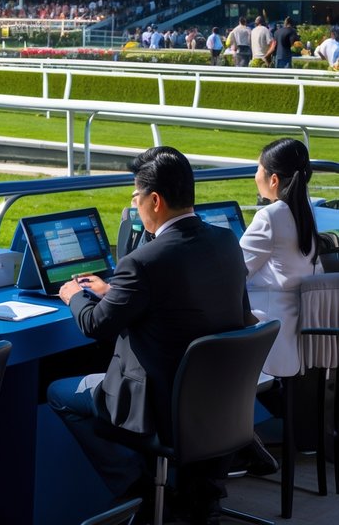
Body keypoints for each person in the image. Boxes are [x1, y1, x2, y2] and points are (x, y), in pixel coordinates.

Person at [47, 146, 251, 523]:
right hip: (218, 402)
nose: (135, 206)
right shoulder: (225, 243)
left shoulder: (143, 261)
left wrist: (74, 296)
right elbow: (233, 312)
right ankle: (177, 494)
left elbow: (96, 325)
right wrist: (117, 292)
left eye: (135, 197)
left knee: (58, 393)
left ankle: (138, 488)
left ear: (154, 200)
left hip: (158, 406)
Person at [241, 138, 321, 379]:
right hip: (295, 330)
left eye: (258, 169)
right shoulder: (306, 211)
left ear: (273, 179)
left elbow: (236, 269)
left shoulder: (270, 216)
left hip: (266, 334)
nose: (256, 175)